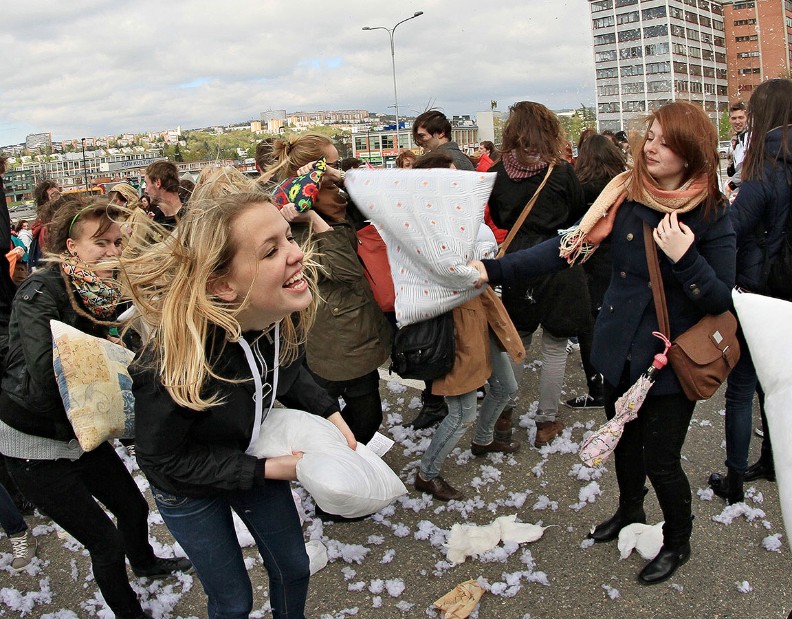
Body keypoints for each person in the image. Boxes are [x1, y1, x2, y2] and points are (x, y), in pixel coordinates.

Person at [472, 100, 735, 585]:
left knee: (661, 458)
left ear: (692, 152)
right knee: (623, 441)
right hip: (618, 347)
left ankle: (679, 541)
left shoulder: (713, 213)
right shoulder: (626, 195)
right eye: (649, 136)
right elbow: (564, 248)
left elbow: (722, 297)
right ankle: (629, 512)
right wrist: (493, 270)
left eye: (664, 141)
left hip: (669, 362)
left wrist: (685, 257)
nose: (650, 147)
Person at [122, 191, 356, 619]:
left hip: (247, 451)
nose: (296, 255)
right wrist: (268, 469)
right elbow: (161, 460)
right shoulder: (173, 363)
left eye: (289, 238)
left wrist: (329, 411)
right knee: (233, 601)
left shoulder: (274, 315)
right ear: (223, 285)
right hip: (187, 485)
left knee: (293, 566)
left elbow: (287, 370)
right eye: (271, 251)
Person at [0, 197, 191, 619]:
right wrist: (106, 356)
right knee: (104, 543)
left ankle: (144, 563)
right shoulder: (39, 291)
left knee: (133, 506)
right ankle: (130, 613)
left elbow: (123, 348)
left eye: (118, 243)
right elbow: (44, 376)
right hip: (35, 442)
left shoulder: (102, 292)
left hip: (79, 426)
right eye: (101, 243)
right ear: (71, 247)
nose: (113, 253)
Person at [709, 78, 792, 505]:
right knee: (779, 384)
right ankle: (774, 459)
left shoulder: (766, 163)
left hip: (763, 287)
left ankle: (736, 478)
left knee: (742, 386)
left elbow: (734, 227)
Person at [406, 152, 524, 501]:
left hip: (480, 309)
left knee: (505, 387)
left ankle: (484, 439)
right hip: (451, 321)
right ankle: (427, 473)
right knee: (460, 412)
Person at [268, 133, 393, 450]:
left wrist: (336, 175)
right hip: (338, 343)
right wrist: (310, 215)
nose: (337, 183)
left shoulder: (337, 203)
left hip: (354, 334)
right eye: (331, 169)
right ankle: (335, 464)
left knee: (355, 414)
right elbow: (346, 271)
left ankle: (338, 457)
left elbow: (384, 196)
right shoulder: (295, 226)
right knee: (361, 417)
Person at [486, 101, 589, 447]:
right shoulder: (560, 172)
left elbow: (500, 220)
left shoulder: (498, 172)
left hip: (518, 263)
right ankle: (546, 422)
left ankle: (504, 415)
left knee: (517, 343)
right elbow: (577, 213)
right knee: (556, 346)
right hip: (558, 258)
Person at [561, 134, 627, 410]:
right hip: (621, 259)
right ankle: (622, 378)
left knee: (589, 325)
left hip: (590, 262)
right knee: (619, 320)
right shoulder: (623, 184)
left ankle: (597, 387)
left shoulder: (582, 187)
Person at [144, 160, 185, 228]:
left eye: (146, 184)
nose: (146, 190)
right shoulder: (157, 219)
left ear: (158, 183)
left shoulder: (189, 219)